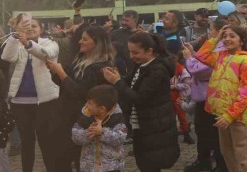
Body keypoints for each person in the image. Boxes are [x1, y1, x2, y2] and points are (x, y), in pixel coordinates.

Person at [102, 32, 180, 172]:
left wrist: (117, 82)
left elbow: (139, 98)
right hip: (143, 124)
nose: (131, 56)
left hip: (155, 126)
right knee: (145, 163)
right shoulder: (142, 65)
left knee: (150, 164)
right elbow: (130, 83)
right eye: (130, 52)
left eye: (135, 52)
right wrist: (117, 77)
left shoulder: (157, 70)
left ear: (149, 51)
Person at [46, 25, 114, 172]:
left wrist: (61, 73)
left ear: (96, 43)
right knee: (60, 158)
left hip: (83, 119)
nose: (80, 42)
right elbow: (64, 83)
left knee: (80, 159)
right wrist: (55, 71)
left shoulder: (100, 67)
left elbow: (79, 92)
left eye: (85, 39)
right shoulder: (80, 59)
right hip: (67, 116)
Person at [195, 26, 247, 172]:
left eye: (232, 36)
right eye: (225, 36)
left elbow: (245, 94)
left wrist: (230, 115)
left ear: (242, 41)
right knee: (228, 154)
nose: (227, 39)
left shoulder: (246, 61)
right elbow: (201, 55)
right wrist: (216, 38)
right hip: (221, 114)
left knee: (243, 156)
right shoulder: (221, 56)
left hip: (236, 117)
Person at [1, 16, 60, 172]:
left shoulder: (50, 43)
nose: (31, 28)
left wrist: (28, 44)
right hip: (20, 101)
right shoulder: (18, 43)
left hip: (44, 101)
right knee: (26, 143)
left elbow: (47, 54)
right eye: (28, 26)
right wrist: (14, 37)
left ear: (41, 29)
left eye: (34, 26)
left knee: (46, 141)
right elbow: (7, 57)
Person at [182, 17, 228, 172]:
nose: (210, 31)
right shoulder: (215, 46)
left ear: (218, 31)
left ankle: (217, 163)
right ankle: (205, 160)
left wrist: (189, 58)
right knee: (203, 130)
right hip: (205, 95)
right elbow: (203, 59)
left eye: (212, 28)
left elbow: (201, 70)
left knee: (209, 132)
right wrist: (193, 52)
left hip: (209, 96)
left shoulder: (220, 48)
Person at [71, 85, 128, 172]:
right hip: (88, 167)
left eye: (89, 103)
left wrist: (102, 132)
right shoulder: (86, 117)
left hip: (111, 168)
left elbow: (120, 138)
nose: (86, 105)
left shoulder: (117, 118)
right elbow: (75, 135)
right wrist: (88, 133)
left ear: (102, 109)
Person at [171, 58, 195, 145]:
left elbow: (187, 84)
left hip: (179, 96)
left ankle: (186, 135)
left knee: (182, 117)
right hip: (167, 97)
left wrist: (174, 86)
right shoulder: (164, 67)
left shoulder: (181, 69)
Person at [110, 10, 140, 75]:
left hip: (136, 70)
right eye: (122, 20)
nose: (123, 22)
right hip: (117, 72)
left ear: (135, 21)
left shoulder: (140, 35)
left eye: (127, 20)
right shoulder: (115, 34)